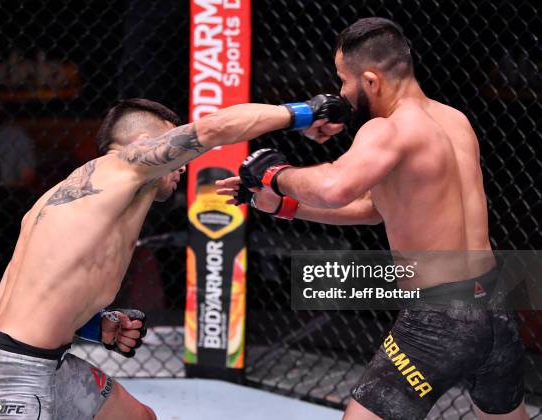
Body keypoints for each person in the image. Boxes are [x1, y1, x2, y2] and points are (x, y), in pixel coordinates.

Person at [217, 17, 527, 420]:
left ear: (370, 80)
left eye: (343, 81)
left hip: (440, 317)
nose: (341, 93)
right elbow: (375, 208)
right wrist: (281, 204)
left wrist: (273, 172)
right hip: (495, 306)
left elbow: (334, 188)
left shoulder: (388, 130)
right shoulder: (454, 121)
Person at [0, 96, 345, 419]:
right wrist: (307, 112)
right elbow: (214, 128)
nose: (182, 164)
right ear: (144, 143)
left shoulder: (79, 199)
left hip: (39, 362)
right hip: (11, 380)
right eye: (173, 147)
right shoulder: (126, 164)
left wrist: (95, 326)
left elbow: (14, 303)